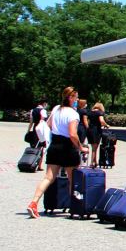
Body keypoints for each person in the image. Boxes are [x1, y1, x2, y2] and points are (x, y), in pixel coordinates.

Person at [26, 86, 82, 219]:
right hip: (68, 147)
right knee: (72, 179)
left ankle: (34, 202)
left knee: (48, 177)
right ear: (70, 97)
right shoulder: (73, 113)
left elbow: (49, 125)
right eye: (76, 97)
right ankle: (74, 207)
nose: (77, 99)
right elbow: (73, 134)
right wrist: (80, 147)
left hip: (55, 145)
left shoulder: (56, 109)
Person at [86, 102, 109, 172]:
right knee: (95, 148)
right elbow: (101, 121)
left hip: (90, 130)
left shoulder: (89, 112)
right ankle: (92, 163)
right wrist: (106, 125)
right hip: (96, 131)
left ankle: (95, 162)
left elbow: (87, 122)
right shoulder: (100, 113)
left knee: (93, 146)